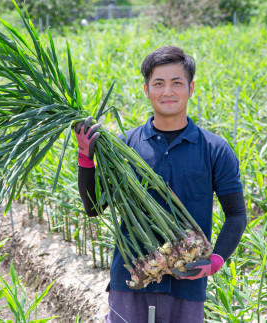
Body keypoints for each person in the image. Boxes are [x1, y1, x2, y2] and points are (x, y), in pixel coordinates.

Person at [73, 46, 247, 322]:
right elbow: (94, 208)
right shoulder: (122, 147)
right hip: (131, 277)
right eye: (159, 83)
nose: (168, 91)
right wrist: (85, 159)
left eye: (177, 83)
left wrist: (215, 261)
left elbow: (236, 214)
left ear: (190, 89)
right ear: (146, 90)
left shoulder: (214, 148)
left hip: (187, 280)